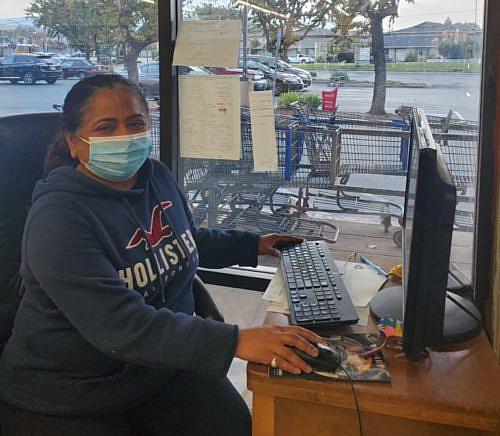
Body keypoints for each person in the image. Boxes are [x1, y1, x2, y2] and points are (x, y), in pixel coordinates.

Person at [0, 75, 321, 436]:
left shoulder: (156, 176)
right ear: (75, 143)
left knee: (236, 425)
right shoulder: (58, 217)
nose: (124, 136)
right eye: (106, 127)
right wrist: (237, 340)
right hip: (73, 392)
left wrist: (253, 244)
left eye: (135, 123)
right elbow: (121, 324)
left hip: (156, 367)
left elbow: (183, 240)